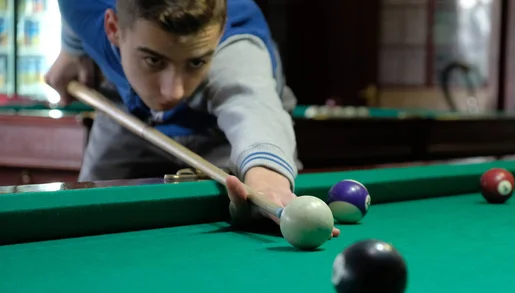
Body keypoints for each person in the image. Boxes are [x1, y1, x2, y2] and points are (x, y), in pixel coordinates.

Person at [46, 0, 339, 236]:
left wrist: (266, 178)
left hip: (220, 134)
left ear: (220, 31)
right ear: (113, 28)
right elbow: (75, 16)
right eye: (153, 60)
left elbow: (252, 106)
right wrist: (71, 51)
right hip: (129, 115)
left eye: (196, 61)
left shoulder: (236, 53)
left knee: (246, 208)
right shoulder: (82, 5)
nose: (173, 91)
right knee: (85, 216)